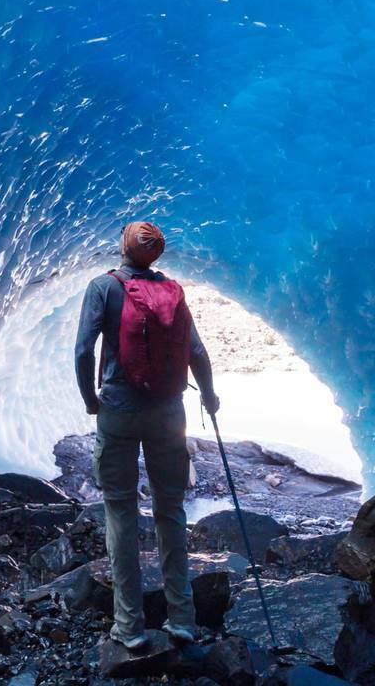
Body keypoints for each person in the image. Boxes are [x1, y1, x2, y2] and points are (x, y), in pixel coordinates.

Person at [73, 220, 217, 651]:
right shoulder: (172, 291)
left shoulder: (104, 286)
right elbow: (196, 352)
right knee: (170, 511)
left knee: (120, 513)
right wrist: (209, 396)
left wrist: (90, 401)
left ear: (124, 246)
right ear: (155, 253)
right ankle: (182, 620)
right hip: (169, 413)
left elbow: (83, 351)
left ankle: (129, 627)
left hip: (118, 410)